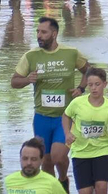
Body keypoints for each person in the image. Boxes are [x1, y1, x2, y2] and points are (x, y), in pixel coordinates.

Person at [10, 17, 88, 190]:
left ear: (54, 34)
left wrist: (81, 88)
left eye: (43, 32)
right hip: (42, 117)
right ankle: (54, 190)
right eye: (37, 32)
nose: (39, 35)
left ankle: (63, 179)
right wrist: (27, 79)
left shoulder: (71, 53)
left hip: (65, 117)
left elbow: (88, 71)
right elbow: (14, 82)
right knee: (46, 162)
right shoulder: (31, 56)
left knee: (57, 157)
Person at [60, 67, 108, 194]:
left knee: (101, 187)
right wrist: (67, 133)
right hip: (80, 151)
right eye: (90, 85)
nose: (94, 88)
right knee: (85, 191)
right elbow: (66, 115)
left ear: (104, 84)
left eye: (97, 84)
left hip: (102, 150)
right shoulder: (77, 103)